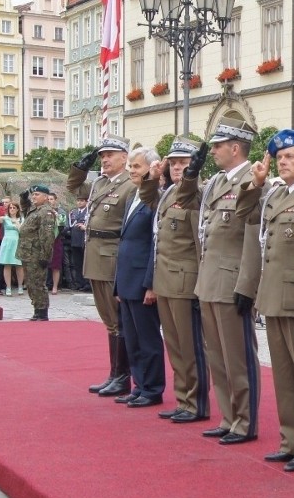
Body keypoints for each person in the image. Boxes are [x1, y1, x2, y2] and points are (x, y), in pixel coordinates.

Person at [236, 130, 294, 472]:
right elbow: (244, 213)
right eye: (280, 158)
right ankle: (289, 440)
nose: (283, 162)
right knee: (284, 377)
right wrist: (256, 184)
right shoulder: (274, 194)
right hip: (273, 296)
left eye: (291, 157)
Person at [196, 118, 263, 445]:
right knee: (217, 356)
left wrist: (247, 285)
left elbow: (254, 236)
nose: (214, 151)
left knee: (238, 357)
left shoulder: (253, 181)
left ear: (235, 148)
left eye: (219, 145)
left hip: (232, 281)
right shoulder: (219, 183)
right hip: (210, 280)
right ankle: (228, 415)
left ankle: (245, 420)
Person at [142, 137, 210, 424]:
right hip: (165, 279)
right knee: (174, 344)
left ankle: (196, 403)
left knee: (189, 345)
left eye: (184, 162)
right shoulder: (168, 193)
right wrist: (153, 175)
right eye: (174, 163)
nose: (178, 167)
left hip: (185, 280)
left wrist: (192, 171)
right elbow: (147, 197)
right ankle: (183, 399)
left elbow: (190, 186)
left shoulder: (194, 192)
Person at [67, 137, 135, 397]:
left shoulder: (130, 185)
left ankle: (122, 376)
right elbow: (73, 187)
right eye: (102, 155)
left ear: (124, 157)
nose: (105, 159)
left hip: (112, 256)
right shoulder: (99, 183)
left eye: (110, 154)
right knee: (108, 321)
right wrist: (80, 168)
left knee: (117, 320)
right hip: (95, 255)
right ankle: (114, 373)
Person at [113, 147, 167, 407]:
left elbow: (154, 244)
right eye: (131, 166)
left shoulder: (155, 197)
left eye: (137, 166)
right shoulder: (133, 196)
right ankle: (139, 384)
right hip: (126, 279)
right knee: (132, 337)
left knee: (148, 338)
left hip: (143, 280)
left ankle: (153, 388)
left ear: (152, 168)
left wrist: (151, 283)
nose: (132, 171)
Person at [17, 185, 56, 321]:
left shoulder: (46, 212)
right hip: (28, 252)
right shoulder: (35, 210)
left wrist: (45, 256)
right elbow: (24, 208)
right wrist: (23, 198)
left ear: (45, 197)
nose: (34, 197)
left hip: (36, 253)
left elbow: (47, 236)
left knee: (37, 282)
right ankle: (37, 309)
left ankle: (42, 311)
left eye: (37, 194)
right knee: (31, 282)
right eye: (33, 195)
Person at [0, 201, 25, 296]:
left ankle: (20, 286)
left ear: (17, 209)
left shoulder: (21, 219)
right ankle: (8, 287)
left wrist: (16, 222)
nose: (12, 209)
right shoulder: (5, 218)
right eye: (10, 208)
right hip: (7, 242)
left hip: (17, 242)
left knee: (19, 265)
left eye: (14, 208)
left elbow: (22, 231)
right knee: (7, 265)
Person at [47, 192, 67, 295]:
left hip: (56, 240)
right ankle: (45, 285)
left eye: (51, 199)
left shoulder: (61, 211)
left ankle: (55, 286)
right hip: (44, 240)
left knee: (56, 265)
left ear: (55, 200)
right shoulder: (43, 211)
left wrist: (56, 215)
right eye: (48, 199)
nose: (49, 201)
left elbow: (63, 224)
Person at [68, 196, 90, 291]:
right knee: (77, 264)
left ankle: (87, 284)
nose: (79, 203)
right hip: (75, 240)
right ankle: (79, 283)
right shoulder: (73, 213)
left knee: (86, 263)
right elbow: (69, 225)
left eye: (82, 201)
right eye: (78, 201)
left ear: (86, 202)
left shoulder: (89, 212)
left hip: (84, 241)